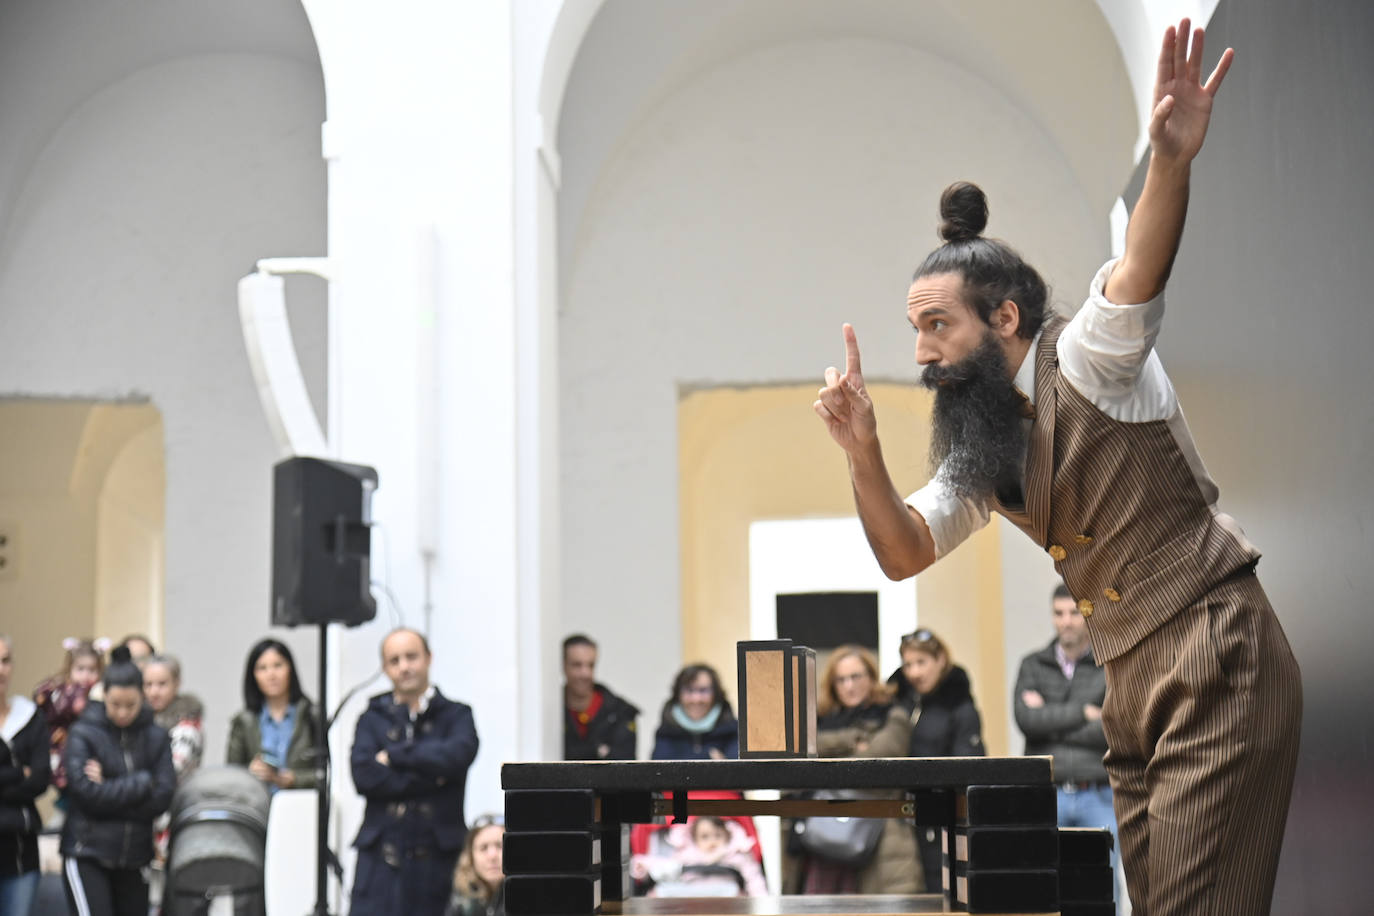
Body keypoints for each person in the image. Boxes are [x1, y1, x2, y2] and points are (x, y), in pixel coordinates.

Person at [813, 20, 1300, 915]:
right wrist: (863, 454)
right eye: (914, 329)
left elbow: (1137, 273)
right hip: (1134, 687)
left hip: (1214, 651)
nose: (921, 352)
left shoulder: (1088, 359)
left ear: (1004, 319)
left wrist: (1172, 159)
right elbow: (903, 551)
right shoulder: (984, 453)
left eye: (937, 326)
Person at [350, 628, 479, 916]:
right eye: (394, 660)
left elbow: (457, 757)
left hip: (439, 865)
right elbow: (364, 775)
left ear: (428, 658)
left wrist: (394, 756)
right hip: (380, 866)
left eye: (411, 657)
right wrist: (433, 776)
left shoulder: (457, 715)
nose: (404, 667)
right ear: (385, 668)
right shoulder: (371, 719)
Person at [1015, 583, 1119, 909]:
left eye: (1074, 613)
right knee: (1043, 885)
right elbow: (1027, 721)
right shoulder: (1032, 665)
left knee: (1102, 888)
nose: (1066, 621)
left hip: (1098, 792)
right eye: (1059, 613)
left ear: (1087, 615)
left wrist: (1049, 720)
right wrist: (1084, 713)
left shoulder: (1109, 665)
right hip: (1048, 794)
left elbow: (1113, 729)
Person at [793, 645, 918, 895]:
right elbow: (800, 755)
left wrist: (828, 758)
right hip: (822, 838)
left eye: (856, 677)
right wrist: (852, 740)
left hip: (878, 836)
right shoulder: (818, 720)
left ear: (871, 678)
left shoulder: (893, 715)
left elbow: (872, 764)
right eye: (841, 679)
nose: (849, 686)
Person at [60, 646, 176, 916]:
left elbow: (162, 796)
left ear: (142, 698)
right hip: (87, 851)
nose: (123, 712)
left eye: (131, 705)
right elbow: (85, 795)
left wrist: (110, 784)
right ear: (104, 696)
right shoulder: (84, 732)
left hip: (135, 856)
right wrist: (141, 782)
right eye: (115, 705)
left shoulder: (155, 736)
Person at [887, 628, 984, 890]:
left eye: (921, 662)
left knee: (939, 888)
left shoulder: (960, 707)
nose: (914, 673)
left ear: (940, 660)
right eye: (908, 664)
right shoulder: (898, 703)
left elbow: (969, 764)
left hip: (941, 815)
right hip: (900, 814)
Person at [143, 653, 204, 906]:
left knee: (165, 900)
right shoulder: (141, 721)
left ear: (177, 684)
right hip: (142, 822)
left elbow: (170, 770)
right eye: (148, 684)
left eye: (162, 684)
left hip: (172, 822)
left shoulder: (186, 725)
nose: (154, 692)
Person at [1, 635, 51, 916]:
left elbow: (41, 778)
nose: (0, 670)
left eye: (5, 661)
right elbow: (29, 775)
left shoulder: (29, 717)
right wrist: (20, 772)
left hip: (21, 856)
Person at [226, 638, 319, 792]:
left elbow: (328, 774)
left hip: (301, 804)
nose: (271, 675)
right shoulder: (244, 721)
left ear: (290, 669)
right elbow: (231, 776)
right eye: (262, 668)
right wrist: (250, 773)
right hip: (257, 806)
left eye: (278, 665)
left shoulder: (311, 715)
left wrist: (294, 779)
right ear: (253, 675)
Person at [33, 637, 107, 797]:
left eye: (92, 670)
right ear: (70, 668)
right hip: (62, 748)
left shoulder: (101, 692)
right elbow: (42, 699)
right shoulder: (60, 690)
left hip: (91, 749)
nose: (86, 675)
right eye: (80, 669)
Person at [631, 816, 767, 898]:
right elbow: (666, 865)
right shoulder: (688, 854)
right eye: (705, 837)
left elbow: (754, 879)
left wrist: (761, 901)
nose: (712, 841)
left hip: (727, 900)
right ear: (694, 839)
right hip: (690, 899)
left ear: (728, 835)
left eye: (718, 835)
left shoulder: (737, 856)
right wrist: (643, 864)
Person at [562, 634, 637, 761]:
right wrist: (597, 751)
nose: (585, 673)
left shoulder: (621, 713)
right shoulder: (549, 713)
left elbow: (626, 766)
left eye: (591, 665)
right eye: (576, 665)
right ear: (563, 666)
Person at [651, 664, 738, 760]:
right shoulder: (665, 733)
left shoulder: (734, 732)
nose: (696, 699)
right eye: (689, 690)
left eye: (703, 690)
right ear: (678, 695)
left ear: (716, 695)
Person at [447, 813, 505, 916]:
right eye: (483, 848)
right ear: (471, 857)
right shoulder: (462, 898)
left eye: (500, 846)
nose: (492, 856)